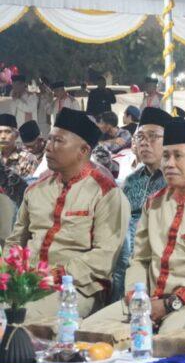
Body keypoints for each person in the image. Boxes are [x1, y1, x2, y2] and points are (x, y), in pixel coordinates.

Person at [82, 119, 185, 336]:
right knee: (86, 331)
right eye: (166, 156)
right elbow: (140, 259)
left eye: (178, 156)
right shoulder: (154, 202)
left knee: (165, 341)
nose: (169, 163)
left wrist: (169, 303)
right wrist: (137, 296)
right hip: (146, 301)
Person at [5, 108, 130, 323]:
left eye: (58, 141)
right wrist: (10, 273)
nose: (48, 147)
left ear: (83, 150)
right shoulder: (35, 190)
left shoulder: (106, 193)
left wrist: (53, 275)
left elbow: (104, 256)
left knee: (23, 315)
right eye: (50, 139)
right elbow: (15, 241)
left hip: (76, 288)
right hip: (26, 282)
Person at [111, 107, 172, 300]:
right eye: (140, 137)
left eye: (153, 136)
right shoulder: (131, 181)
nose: (145, 143)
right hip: (127, 256)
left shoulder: (176, 180)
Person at [0, 114, 38, 179]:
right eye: (0, 132)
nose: (3, 136)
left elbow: (29, 184)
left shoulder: (28, 159)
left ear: (16, 135)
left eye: (7, 132)